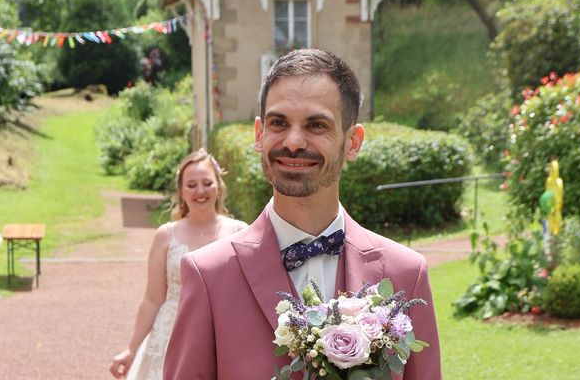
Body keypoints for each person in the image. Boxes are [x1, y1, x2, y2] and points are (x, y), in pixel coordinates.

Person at [163, 49, 442, 379]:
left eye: (316, 125)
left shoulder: (406, 275)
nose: (293, 142)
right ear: (258, 134)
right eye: (278, 123)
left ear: (353, 142)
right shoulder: (208, 275)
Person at [110, 150, 247, 379]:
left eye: (207, 183)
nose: (200, 191)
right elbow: (152, 299)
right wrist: (131, 349)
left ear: (219, 186)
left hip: (221, 333)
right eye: (191, 185)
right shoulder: (166, 236)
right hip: (170, 335)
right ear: (181, 192)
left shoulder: (240, 232)